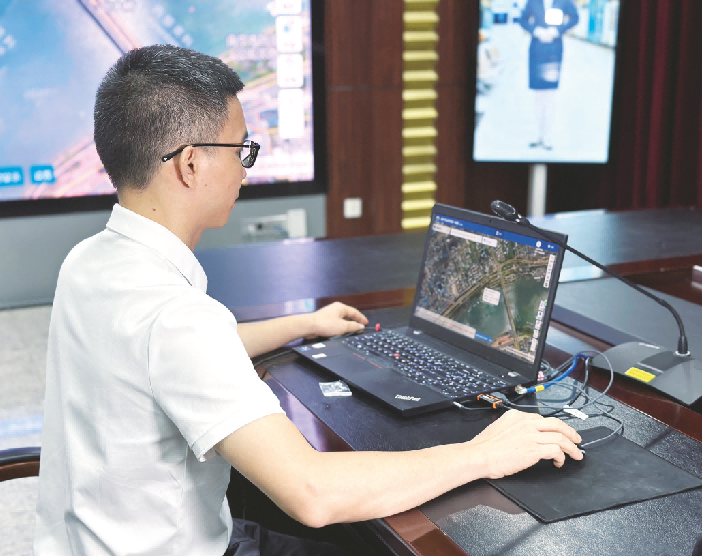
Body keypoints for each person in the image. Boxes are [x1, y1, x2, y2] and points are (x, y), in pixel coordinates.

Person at [33, 44, 583, 556]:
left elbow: (165, 355)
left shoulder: (90, 261)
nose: (245, 169)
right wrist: (483, 453)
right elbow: (312, 493)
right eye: (242, 149)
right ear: (190, 163)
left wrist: (305, 323)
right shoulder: (178, 320)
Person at [518, 0, 579, 150]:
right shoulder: (533, 1)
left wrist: (557, 30)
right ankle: (538, 135)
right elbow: (522, 19)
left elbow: (575, 18)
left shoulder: (564, 1)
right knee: (538, 96)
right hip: (536, 50)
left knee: (550, 95)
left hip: (554, 51)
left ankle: (546, 137)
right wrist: (536, 31)